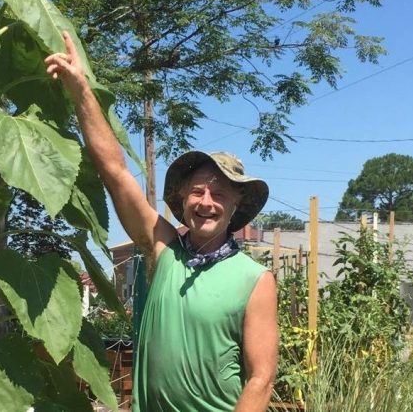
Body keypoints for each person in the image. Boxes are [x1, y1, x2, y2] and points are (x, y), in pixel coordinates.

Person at [45, 32, 278, 412]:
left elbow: (260, 378)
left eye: (220, 194)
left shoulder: (254, 280)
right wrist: (81, 89)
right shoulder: (163, 249)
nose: (207, 202)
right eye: (198, 191)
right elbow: (116, 172)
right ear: (182, 198)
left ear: (236, 207)